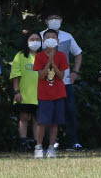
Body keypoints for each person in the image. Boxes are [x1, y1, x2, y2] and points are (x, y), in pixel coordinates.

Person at [42, 11, 84, 151]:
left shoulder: (67, 36)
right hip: (47, 82)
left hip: (65, 82)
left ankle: (73, 142)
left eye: (57, 18)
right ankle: (52, 143)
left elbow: (78, 54)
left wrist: (75, 72)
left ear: (61, 20)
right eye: (51, 18)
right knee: (49, 113)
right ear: (46, 21)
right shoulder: (40, 36)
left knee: (70, 111)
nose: (54, 20)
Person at [33, 28, 68, 159]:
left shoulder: (62, 56)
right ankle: (38, 147)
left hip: (58, 93)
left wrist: (54, 62)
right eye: (48, 37)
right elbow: (41, 76)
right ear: (43, 41)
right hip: (44, 94)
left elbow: (61, 75)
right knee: (42, 122)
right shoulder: (39, 56)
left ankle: (51, 148)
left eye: (53, 37)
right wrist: (48, 62)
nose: (50, 40)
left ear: (58, 40)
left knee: (55, 122)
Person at [11, 32, 42, 152]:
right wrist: (16, 92)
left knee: (37, 119)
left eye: (37, 39)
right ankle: (23, 143)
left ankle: (36, 144)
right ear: (27, 41)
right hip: (24, 94)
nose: (35, 41)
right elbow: (15, 76)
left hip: (40, 94)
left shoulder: (43, 56)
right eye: (32, 39)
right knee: (24, 118)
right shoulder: (20, 55)